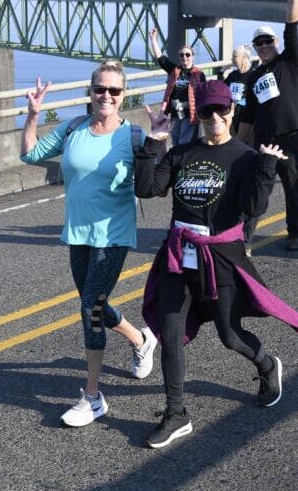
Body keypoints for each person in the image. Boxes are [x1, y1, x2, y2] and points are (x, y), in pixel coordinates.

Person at [134, 80, 298, 449]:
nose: (215, 117)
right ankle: (176, 414)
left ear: (232, 110)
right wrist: (154, 143)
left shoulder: (245, 157)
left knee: (230, 336)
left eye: (221, 109)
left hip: (221, 259)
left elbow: (253, 208)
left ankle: (267, 364)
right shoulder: (182, 154)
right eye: (207, 111)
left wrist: (266, 165)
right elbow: (146, 189)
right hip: (179, 260)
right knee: (170, 336)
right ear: (199, 114)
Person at [20, 60, 157, 427]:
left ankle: (93, 397)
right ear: (90, 92)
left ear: (123, 94)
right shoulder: (73, 128)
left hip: (113, 236)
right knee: (92, 303)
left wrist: (160, 141)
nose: (107, 96)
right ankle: (141, 339)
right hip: (78, 234)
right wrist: (32, 115)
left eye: (114, 90)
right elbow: (30, 154)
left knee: (88, 311)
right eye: (100, 89)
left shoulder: (133, 137)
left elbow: (153, 183)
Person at [237, 0, 298, 251]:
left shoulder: (288, 61)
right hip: (264, 141)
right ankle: (243, 239)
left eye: (267, 41)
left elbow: (293, 26)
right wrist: (236, 145)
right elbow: (248, 114)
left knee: (294, 189)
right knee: (256, 188)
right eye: (258, 42)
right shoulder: (254, 77)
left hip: (291, 137)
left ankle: (295, 234)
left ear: (276, 42)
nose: (263, 46)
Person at [223, 45, 259, 254]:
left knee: (248, 175)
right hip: (233, 125)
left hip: (250, 127)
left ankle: (246, 238)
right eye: (232, 56)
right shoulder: (233, 75)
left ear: (245, 57)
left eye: (235, 56)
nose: (233, 59)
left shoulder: (252, 76)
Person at [149, 28, 205, 145]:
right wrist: (153, 39)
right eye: (182, 55)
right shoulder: (175, 70)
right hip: (175, 114)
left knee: (185, 144)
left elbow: (204, 94)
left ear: (192, 56)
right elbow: (160, 58)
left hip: (190, 115)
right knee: (175, 143)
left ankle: (183, 163)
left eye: (188, 54)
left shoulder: (199, 74)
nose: (185, 57)